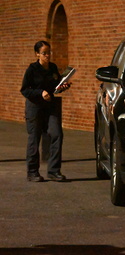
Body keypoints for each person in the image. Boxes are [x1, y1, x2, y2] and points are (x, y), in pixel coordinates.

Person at [20, 41, 70, 182]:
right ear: (37, 54)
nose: (47, 55)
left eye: (49, 52)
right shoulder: (32, 69)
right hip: (35, 108)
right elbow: (25, 90)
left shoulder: (53, 68)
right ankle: (32, 172)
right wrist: (40, 92)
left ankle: (54, 171)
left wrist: (63, 86)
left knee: (57, 134)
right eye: (44, 53)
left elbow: (56, 85)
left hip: (50, 107)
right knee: (34, 138)